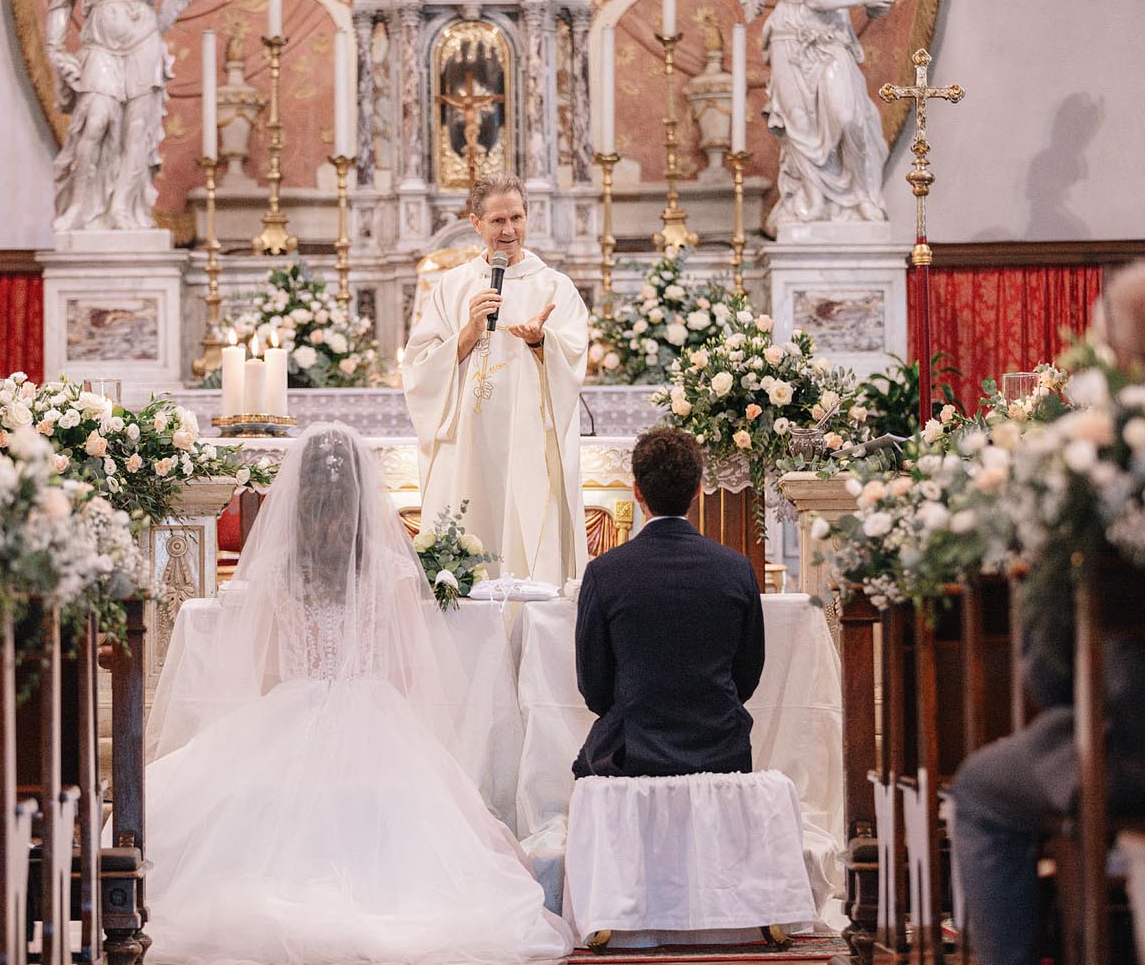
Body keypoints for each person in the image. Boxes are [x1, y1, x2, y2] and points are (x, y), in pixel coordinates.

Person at [139, 422, 573, 964]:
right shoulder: (389, 567)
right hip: (373, 712)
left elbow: (265, 672)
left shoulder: (276, 569)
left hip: (290, 711)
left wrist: (298, 700)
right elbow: (407, 671)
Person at [949, 262, 1145, 965]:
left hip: (1140, 754)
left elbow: (1049, 671)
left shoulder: (1095, 463)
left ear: (1113, 349)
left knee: (983, 788)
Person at [404, 173, 589, 587]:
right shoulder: (451, 287)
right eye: (497, 221)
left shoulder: (555, 286)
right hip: (469, 443)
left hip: (528, 441)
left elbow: (574, 354)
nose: (509, 230)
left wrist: (543, 342)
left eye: (517, 218)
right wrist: (468, 331)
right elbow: (418, 367)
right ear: (476, 223)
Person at [572, 428, 765, 778]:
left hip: (633, 754)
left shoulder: (605, 572)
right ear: (696, 490)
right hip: (720, 748)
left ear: (636, 491)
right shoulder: (737, 568)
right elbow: (747, 673)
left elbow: (594, 686)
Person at [733, 0, 895, 231]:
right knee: (800, 125)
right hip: (789, 36)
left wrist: (878, 1)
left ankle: (864, 195)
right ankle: (812, 200)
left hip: (832, 38)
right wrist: (861, 0)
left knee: (848, 118)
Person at [45, 0, 201, 232]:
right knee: (95, 122)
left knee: (137, 130)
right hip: (101, 44)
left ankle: (121, 207)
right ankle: (78, 206)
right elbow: (62, 2)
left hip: (144, 40)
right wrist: (55, 47)